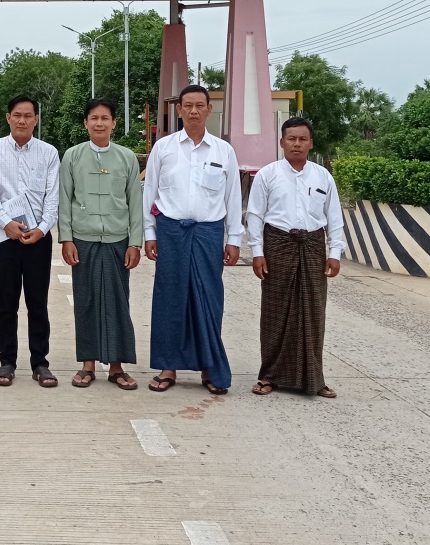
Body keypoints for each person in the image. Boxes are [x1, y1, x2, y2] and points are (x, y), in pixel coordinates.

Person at [142, 85, 242, 394]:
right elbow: (150, 193)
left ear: (209, 110)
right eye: (188, 105)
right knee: (170, 299)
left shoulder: (223, 151)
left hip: (208, 233)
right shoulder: (164, 147)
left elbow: (234, 197)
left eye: (200, 105)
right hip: (170, 231)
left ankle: (209, 368)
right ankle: (167, 366)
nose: (194, 111)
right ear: (180, 110)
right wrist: (149, 232)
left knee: (208, 300)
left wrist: (234, 238)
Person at [247, 117, 345, 398]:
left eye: (303, 139)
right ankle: (269, 376)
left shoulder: (323, 176)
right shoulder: (268, 175)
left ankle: (314, 379)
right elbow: (255, 215)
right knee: (275, 312)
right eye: (291, 139)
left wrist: (334, 252)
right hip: (277, 245)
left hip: (313, 246)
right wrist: (257, 252)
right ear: (282, 142)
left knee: (314, 312)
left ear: (311, 143)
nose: (297, 144)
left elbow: (334, 217)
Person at [58, 98, 143, 390]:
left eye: (105, 118)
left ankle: (117, 367)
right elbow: (64, 201)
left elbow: (135, 203)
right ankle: (88, 365)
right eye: (93, 118)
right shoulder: (72, 156)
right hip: (84, 239)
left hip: (119, 240)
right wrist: (66, 238)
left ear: (114, 123)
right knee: (86, 301)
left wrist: (135, 242)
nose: (99, 123)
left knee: (118, 301)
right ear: (85, 123)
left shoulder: (127, 157)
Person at [0, 94, 61, 388]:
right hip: (4, 238)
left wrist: (41, 228)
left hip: (39, 238)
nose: (22, 120)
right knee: (7, 302)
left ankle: (40, 362)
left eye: (28, 115)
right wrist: (7, 224)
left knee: (38, 302)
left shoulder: (49, 153)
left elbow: (53, 198)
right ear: (8, 118)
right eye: (17, 115)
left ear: (36, 119)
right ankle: (7, 361)